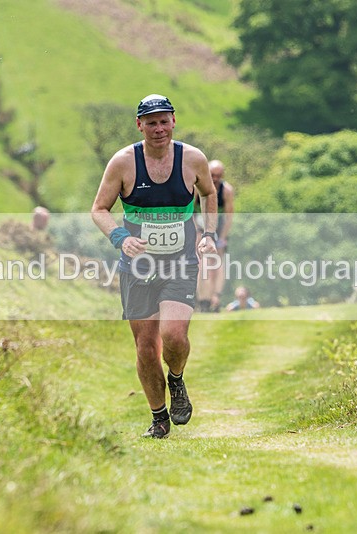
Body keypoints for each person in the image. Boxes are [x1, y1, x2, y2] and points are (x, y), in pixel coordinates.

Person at [91, 94, 218, 439]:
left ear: (173, 121)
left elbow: (208, 193)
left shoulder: (192, 159)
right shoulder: (123, 163)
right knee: (146, 346)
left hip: (181, 262)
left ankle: (176, 378)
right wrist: (120, 237)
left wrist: (209, 233)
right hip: (138, 266)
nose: (158, 128)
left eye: (164, 121)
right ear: (139, 125)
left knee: (173, 335)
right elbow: (99, 209)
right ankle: (159, 418)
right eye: (151, 122)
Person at [195, 160, 234, 312]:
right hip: (200, 227)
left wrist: (222, 237)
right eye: (212, 175)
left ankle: (216, 298)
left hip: (219, 228)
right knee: (202, 265)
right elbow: (189, 211)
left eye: (218, 175)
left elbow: (229, 216)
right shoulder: (196, 187)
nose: (215, 178)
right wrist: (197, 233)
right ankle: (203, 300)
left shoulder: (226, 190)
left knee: (217, 264)